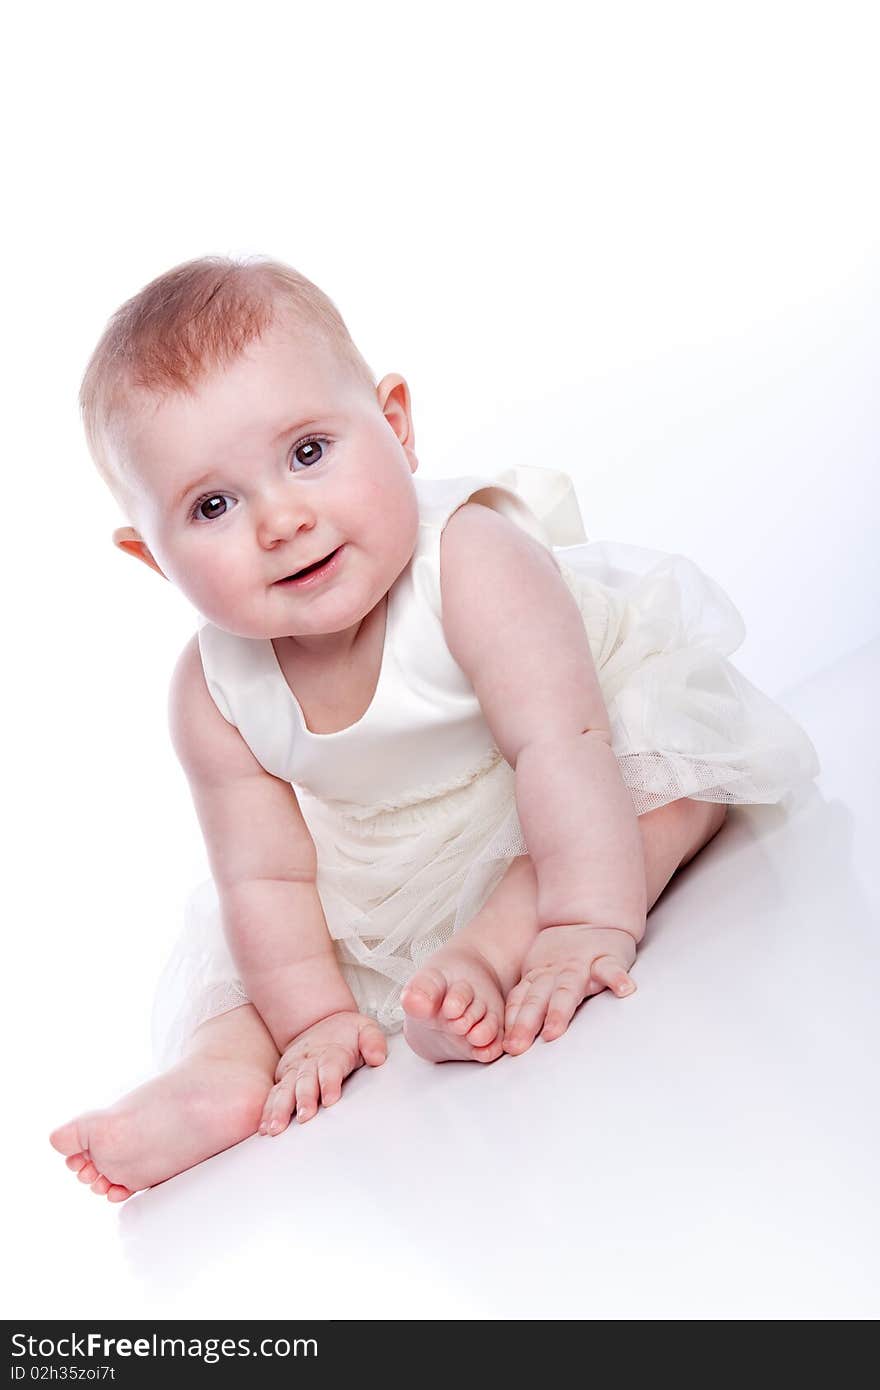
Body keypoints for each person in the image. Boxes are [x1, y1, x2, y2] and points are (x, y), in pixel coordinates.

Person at [50, 256, 820, 1202]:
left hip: (558, 780)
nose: (281, 520)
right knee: (264, 969)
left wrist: (586, 921)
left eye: (307, 453)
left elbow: (561, 747)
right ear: (152, 558)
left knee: (670, 782)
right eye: (212, 506)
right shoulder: (211, 693)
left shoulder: (472, 559)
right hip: (383, 864)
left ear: (397, 425)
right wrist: (314, 1023)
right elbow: (266, 875)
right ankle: (216, 1075)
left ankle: (490, 956)